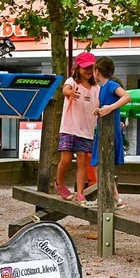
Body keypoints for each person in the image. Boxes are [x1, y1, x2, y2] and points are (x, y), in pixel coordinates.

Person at [54, 52, 99, 205]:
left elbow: (100, 105)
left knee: (82, 160)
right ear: (77, 68)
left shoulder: (96, 88)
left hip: (86, 130)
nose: (88, 71)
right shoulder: (72, 81)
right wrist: (70, 93)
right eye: (85, 68)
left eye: (91, 68)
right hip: (69, 127)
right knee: (66, 159)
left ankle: (80, 193)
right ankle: (59, 183)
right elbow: (65, 90)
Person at [90, 56, 132, 209]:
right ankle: (112, 197)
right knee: (99, 164)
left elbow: (127, 97)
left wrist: (110, 108)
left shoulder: (111, 85)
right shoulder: (103, 88)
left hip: (108, 132)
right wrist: (100, 109)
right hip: (103, 130)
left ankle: (112, 197)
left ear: (97, 71)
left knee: (99, 164)